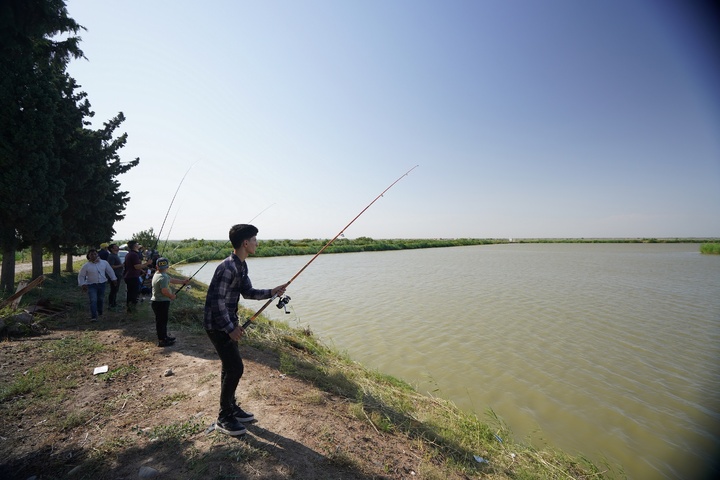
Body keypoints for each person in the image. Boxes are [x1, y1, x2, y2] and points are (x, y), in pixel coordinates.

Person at [204, 224, 288, 436]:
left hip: (227, 324)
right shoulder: (227, 268)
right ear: (245, 243)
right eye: (255, 240)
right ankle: (224, 418)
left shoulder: (241, 266)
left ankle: (231, 408)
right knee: (236, 368)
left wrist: (272, 291)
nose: (257, 243)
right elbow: (217, 302)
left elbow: (248, 292)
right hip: (217, 326)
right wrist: (230, 328)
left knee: (229, 367)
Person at [151, 257, 190, 347]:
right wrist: (171, 296)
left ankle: (164, 337)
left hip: (157, 302)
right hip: (161, 302)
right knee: (161, 322)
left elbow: (171, 280)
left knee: (162, 321)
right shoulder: (163, 277)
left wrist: (182, 282)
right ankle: (162, 340)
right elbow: (164, 291)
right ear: (167, 267)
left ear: (157, 267)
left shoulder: (158, 274)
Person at [78, 249, 117, 322]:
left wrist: (114, 279)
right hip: (91, 285)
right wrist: (82, 284)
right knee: (93, 300)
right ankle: (94, 316)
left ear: (97, 255)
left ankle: (100, 311)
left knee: (100, 299)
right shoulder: (86, 266)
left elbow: (110, 271)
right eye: (91, 254)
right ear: (88, 256)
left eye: (95, 254)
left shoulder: (104, 263)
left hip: (102, 284)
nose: (93, 256)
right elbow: (81, 276)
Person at [124, 240, 152, 313]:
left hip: (129, 276)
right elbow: (136, 266)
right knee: (134, 293)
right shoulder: (134, 255)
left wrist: (143, 271)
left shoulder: (130, 254)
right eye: (137, 244)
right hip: (132, 277)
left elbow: (132, 266)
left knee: (130, 293)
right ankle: (132, 309)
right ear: (135, 246)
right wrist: (147, 263)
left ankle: (130, 308)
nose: (138, 245)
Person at [106, 243, 124, 310]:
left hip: (118, 275)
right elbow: (111, 266)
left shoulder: (116, 255)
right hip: (114, 276)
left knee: (115, 290)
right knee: (113, 290)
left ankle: (114, 303)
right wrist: (121, 265)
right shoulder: (111, 256)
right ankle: (111, 304)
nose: (117, 247)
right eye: (115, 247)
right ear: (112, 249)